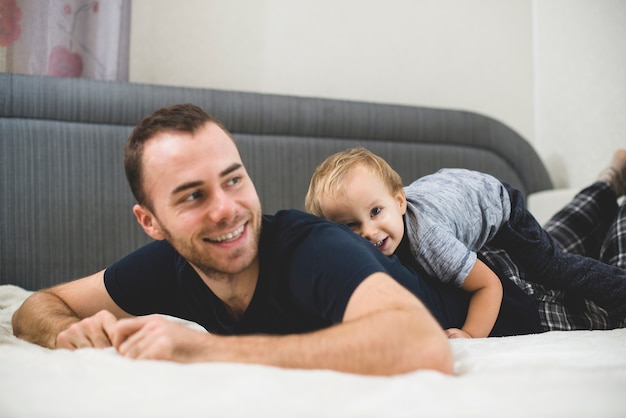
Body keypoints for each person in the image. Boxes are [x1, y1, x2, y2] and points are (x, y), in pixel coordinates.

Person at [12, 103, 465, 377]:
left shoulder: (314, 249)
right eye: (193, 195)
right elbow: (37, 305)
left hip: (503, 299)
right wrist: (67, 333)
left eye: (233, 180)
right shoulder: (171, 262)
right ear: (151, 222)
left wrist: (205, 350)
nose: (226, 208)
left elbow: (425, 346)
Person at [305, 147, 626, 337]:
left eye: (376, 212)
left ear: (400, 202)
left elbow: (489, 286)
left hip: (498, 206)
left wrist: (471, 334)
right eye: (350, 226)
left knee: (553, 267)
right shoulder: (381, 229)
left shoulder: (429, 241)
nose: (369, 231)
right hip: (455, 192)